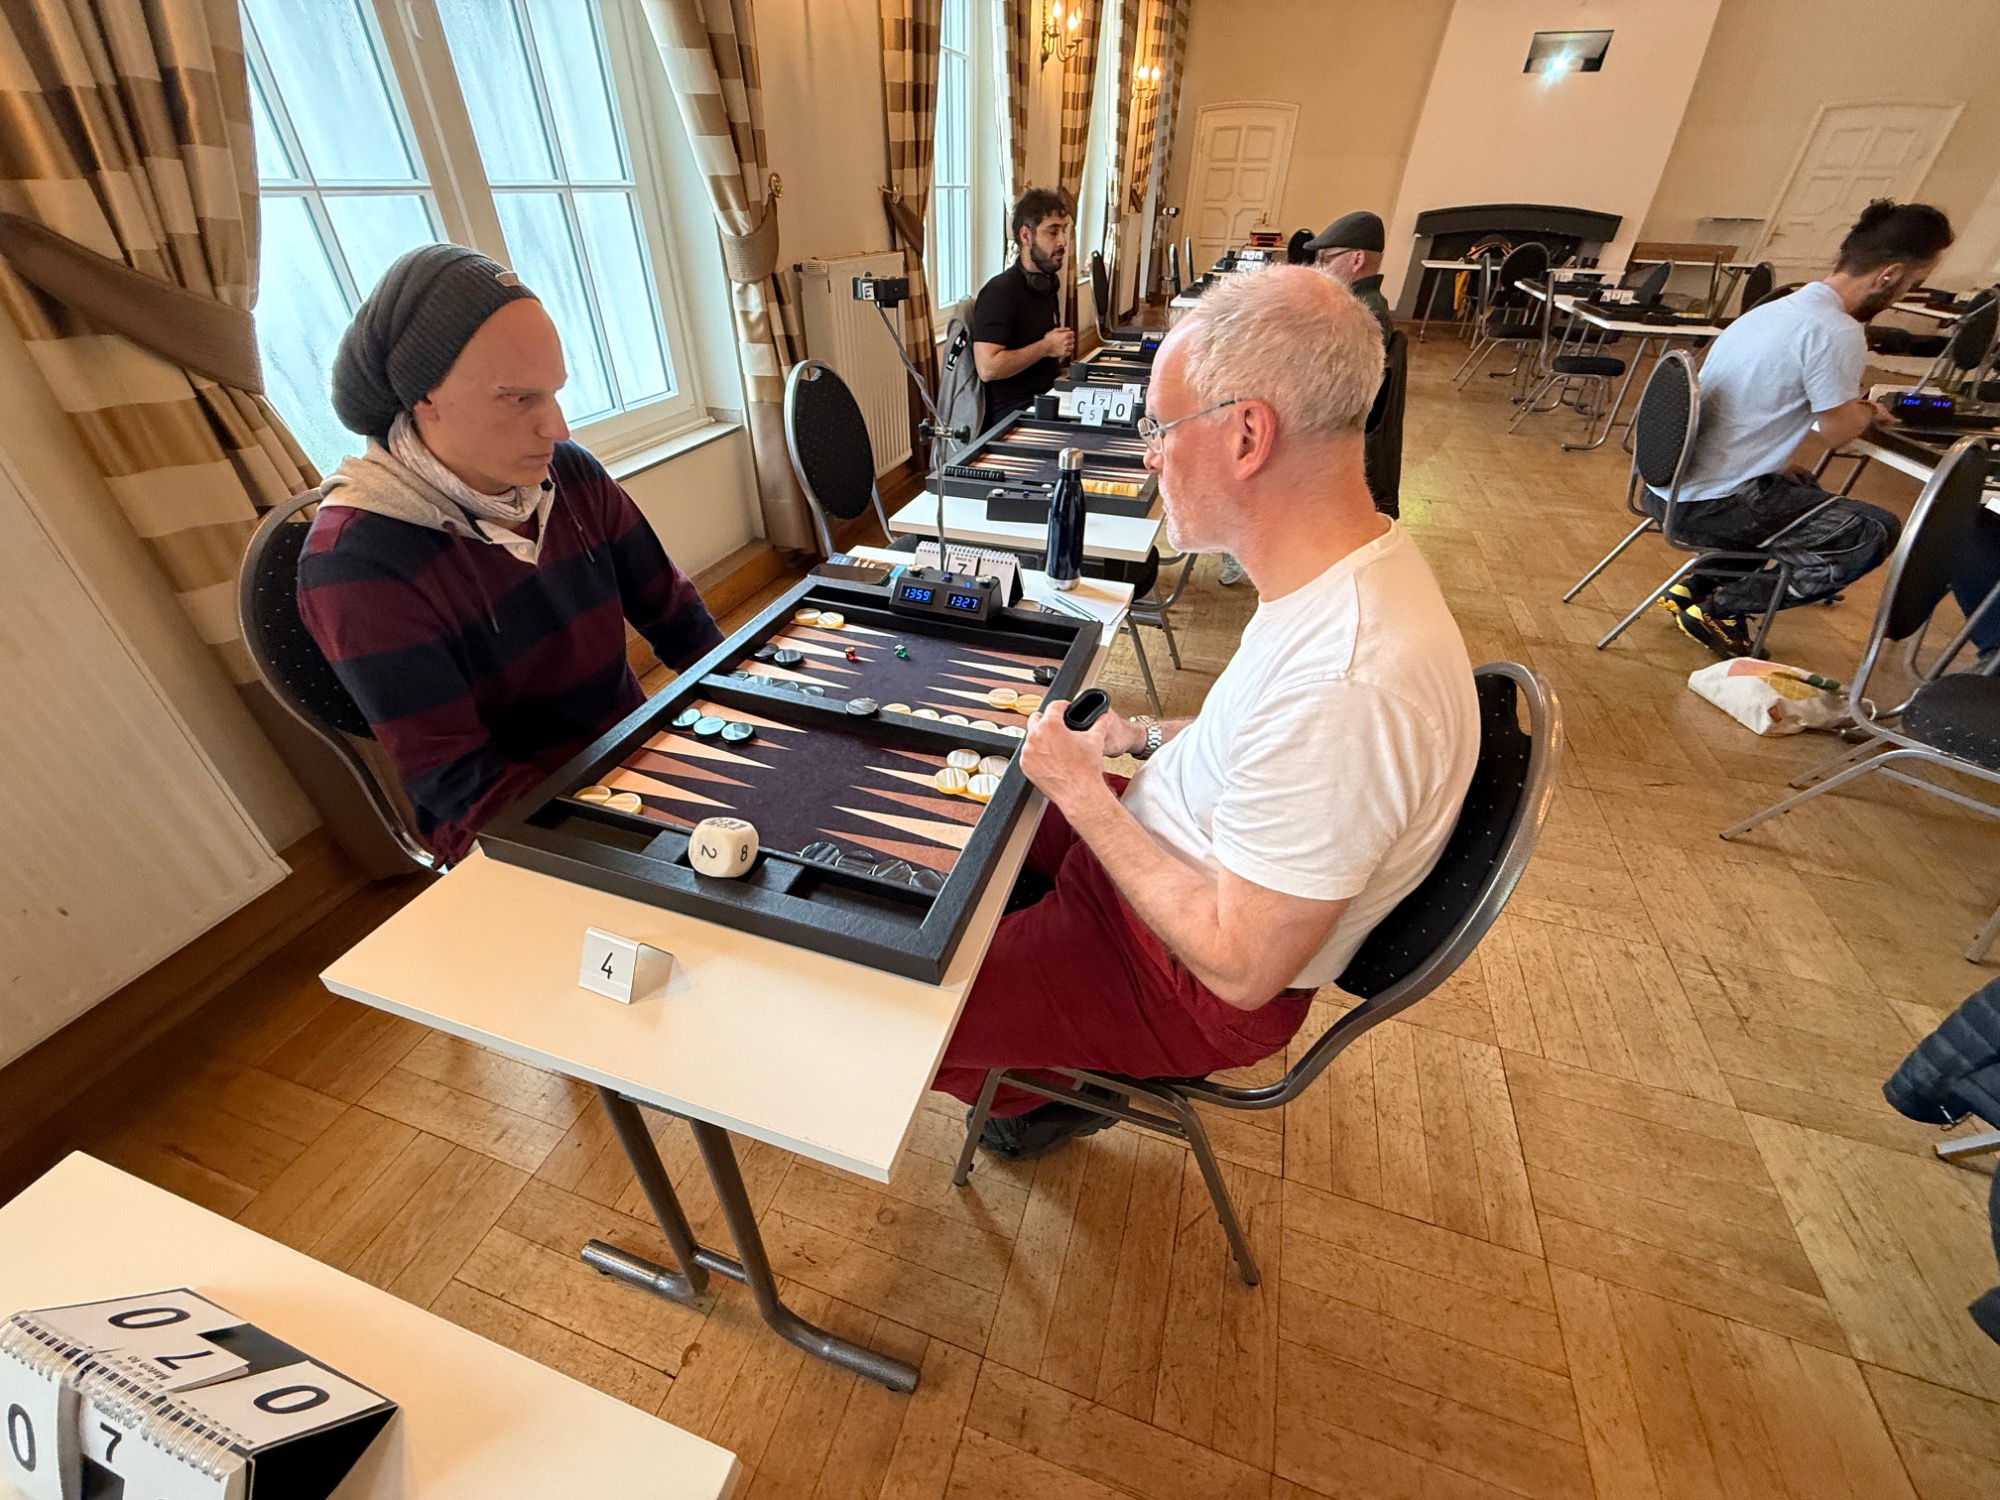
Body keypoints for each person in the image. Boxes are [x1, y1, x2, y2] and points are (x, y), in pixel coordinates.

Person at [933, 266, 1480, 1160]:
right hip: (1164, 862)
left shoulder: (1350, 684)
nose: (1149, 457)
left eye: (1160, 427)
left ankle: (1044, 1090)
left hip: (1183, 977)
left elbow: (1241, 967)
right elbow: (1255, 747)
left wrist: (1086, 795)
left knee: (908, 1010)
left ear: (1247, 434)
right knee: (956, 808)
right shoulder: (1335, 570)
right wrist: (1138, 737)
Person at [297, 244, 721, 864]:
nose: (558, 429)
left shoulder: (570, 473)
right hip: (508, 828)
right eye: (519, 399)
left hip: (631, 755)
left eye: (553, 393)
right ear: (423, 397)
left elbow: (674, 613)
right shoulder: (355, 565)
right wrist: (647, 847)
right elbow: (459, 780)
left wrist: (754, 708)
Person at [1651, 200, 1953, 657]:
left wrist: (1776, 462)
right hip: (1712, 505)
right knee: (1873, 531)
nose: (1905, 294)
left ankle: (1696, 588)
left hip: (1670, 487)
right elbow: (1836, 433)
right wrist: (1866, 411)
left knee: (1798, 491)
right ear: (1889, 275)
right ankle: (1723, 608)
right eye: (1914, 283)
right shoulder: (1834, 330)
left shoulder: (1772, 311)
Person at [971, 188, 1076, 424]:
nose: (1062, 241)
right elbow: (988, 368)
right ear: (1026, 236)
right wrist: (1046, 347)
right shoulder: (999, 292)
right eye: (1053, 231)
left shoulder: (1046, 284)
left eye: (1064, 230)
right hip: (1015, 415)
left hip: (1049, 399)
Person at [1305, 209, 1394, 343]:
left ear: (1357, 260)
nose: (1318, 269)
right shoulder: (1360, 302)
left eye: (1326, 260)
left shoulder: (1359, 312)